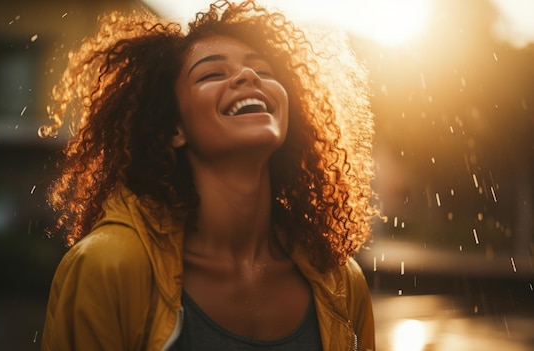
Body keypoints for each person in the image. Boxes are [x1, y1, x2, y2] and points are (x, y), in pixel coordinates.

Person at [39, 0, 378, 350]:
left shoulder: (340, 280)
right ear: (174, 128)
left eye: (264, 72)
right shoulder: (106, 267)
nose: (248, 77)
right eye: (212, 74)